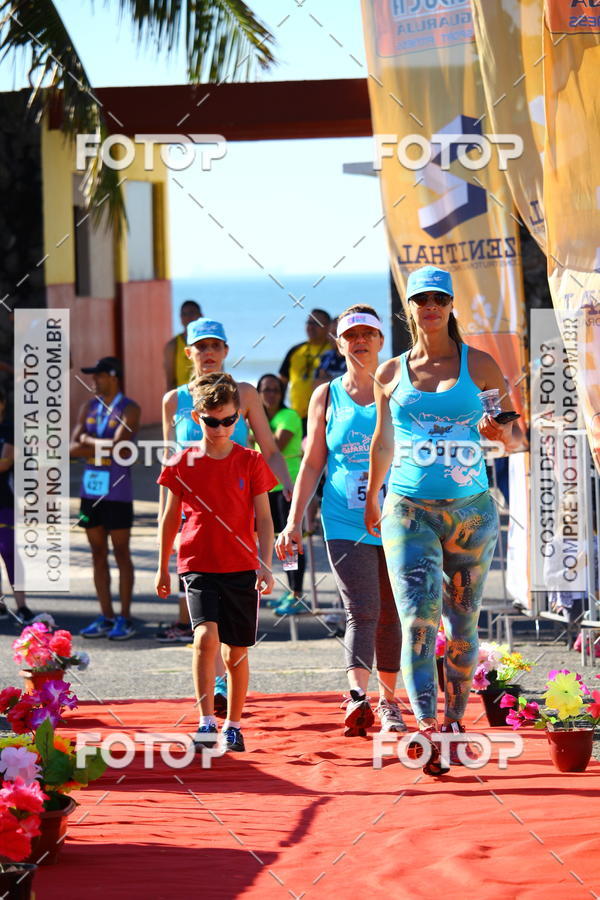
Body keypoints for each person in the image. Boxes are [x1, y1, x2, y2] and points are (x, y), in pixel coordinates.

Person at [364, 265, 523, 774]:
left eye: (438, 299)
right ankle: (427, 727)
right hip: (407, 510)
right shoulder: (388, 374)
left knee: (461, 623)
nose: (430, 307)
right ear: (408, 308)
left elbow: (509, 435)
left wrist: (493, 431)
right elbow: (383, 442)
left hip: (471, 514)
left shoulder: (481, 367)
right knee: (417, 619)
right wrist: (373, 496)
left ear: (452, 305)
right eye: (420, 300)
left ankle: (455, 723)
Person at [276, 306, 404, 737]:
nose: (360, 341)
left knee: (392, 613)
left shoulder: (399, 386)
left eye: (369, 333)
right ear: (340, 343)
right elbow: (313, 461)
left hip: (396, 516)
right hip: (343, 516)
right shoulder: (326, 395)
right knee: (361, 609)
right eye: (352, 336)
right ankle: (356, 698)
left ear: (381, 341)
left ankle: (389, 702)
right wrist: (294, 520)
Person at [159, 319, 293, 713]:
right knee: (203, 621)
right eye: (201, 346)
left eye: (216, 345)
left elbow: (268, 449)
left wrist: (288, 492)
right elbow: (169, 463)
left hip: (236, 505)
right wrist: (166, 518)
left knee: (227, 621)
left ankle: (222, 684)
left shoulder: (245, 392)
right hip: (191, 510)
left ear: (227, 350)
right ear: (189, 353)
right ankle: (214, 683)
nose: (209, 352)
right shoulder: (173, 400)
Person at [156, 373, 276, 753]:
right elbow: (169, 518)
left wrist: (266, 563)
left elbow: (265, 518)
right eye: (212, 421)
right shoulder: (182, 462)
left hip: (241, 564)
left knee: (234, 651)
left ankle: (234, 724)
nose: (221, 428)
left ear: (238, 418)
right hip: (197, 563)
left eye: (228, 420)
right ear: (197, 419)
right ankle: (205, 720)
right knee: (205, 637)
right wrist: (161, 567)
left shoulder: (251, 461)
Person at [70, 356, 140, 640]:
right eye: (93, 376)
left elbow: (120, 449)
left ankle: (125, 617)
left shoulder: (130, 408)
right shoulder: (88, 406)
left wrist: (88, 442)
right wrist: (96, 446)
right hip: (90, 492)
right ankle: (106, 616)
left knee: (121, 553)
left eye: (98, 376)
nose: (93, 381)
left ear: (113, 376)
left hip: (118, 492)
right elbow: (72, 448)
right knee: (97, 554)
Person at [256, 374, 305, 614]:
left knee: (290, 544)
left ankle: (297, 593)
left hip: (288, 486)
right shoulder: (260, 420)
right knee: (274, 542)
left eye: (275, 390)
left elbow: (275, 447)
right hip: (266, 489)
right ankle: (288, 591)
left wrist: (255, 431)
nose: (270, 394)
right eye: (265, 390)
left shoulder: (290, 416)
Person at [0, 387, 42, 624]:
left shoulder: (10, 430)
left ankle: (22, 606)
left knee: (8, 551)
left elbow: (5, 463)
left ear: (3, 403)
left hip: (3, 500)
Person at [279, 309, 332, 432]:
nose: (311, 327)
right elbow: (282, 382)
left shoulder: (335, 352)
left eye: (316, 323)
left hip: (325, 416)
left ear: (328, 327)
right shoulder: (295, 351)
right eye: (309, 323)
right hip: (297, 415)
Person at [163, 299, 203, 391]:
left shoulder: (211, 343)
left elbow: (220, 373)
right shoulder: (173, 345)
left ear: (201, 316)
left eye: (192, 313)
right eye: (184, 314)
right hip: (184, 398)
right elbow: (169, 381)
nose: (188, 317)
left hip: (207, 396)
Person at [314, 318, 347, 388]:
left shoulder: (356, 357)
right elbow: (317, 384)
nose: (331, 337)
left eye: (335, 333)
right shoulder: (327, 356)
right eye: (330, 334)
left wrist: (328, 379)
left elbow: (355, 385)